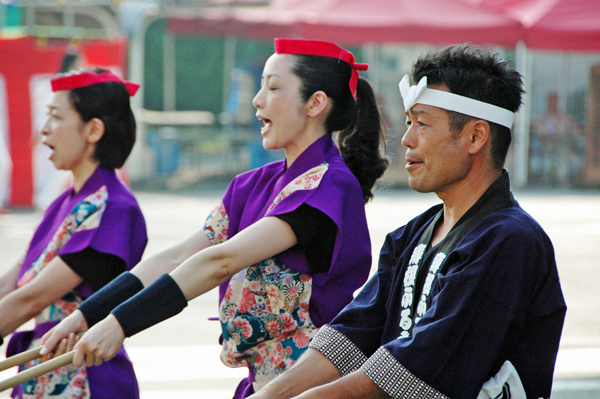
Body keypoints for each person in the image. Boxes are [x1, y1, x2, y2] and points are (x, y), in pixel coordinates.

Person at [41, 38, 388, 398]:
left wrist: (120, 324)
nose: (257, 100)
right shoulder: (252, 185)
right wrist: (87, 315)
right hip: (262, 382)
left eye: (272, 87)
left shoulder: (327, 185)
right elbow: (178, 256)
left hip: (313, 384)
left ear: (316, 103)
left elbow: (220, 262)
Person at [247, 44, 567, 399]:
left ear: (475, 136)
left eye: (423, 124)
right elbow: (351, 335)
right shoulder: (411, 237)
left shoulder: (509, 241)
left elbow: (420, 365)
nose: (407, 139)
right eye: (409, 122)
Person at [0, 69, 148, 399]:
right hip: (44, 371)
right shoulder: (64, 204)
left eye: (55, 117)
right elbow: (11, 284)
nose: (43, 130)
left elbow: (32, 298)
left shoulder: (113, 207)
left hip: (86, 378)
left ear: (93, 129)